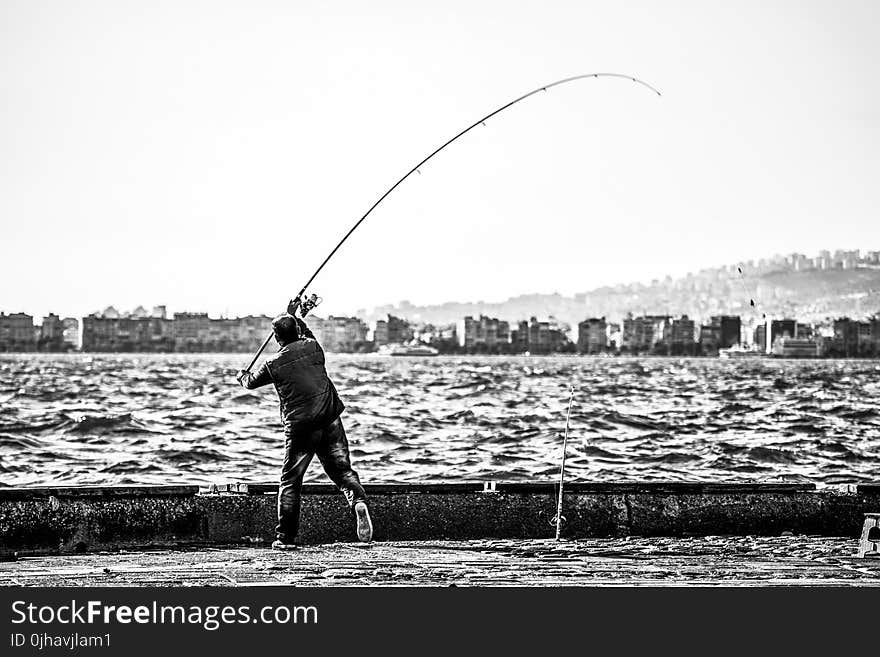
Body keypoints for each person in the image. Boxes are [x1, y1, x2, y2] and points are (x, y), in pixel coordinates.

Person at [236, 311, 372, 549]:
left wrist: (242, 376)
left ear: (277, 338)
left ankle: (285, 538)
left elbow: (250, 383)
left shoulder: (272, 365)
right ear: (297, 330)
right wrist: (296, 315)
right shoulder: (314, 347)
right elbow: (305, 333)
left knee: (291, 482)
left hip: (301, 429)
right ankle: (358, 502)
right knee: (343, 472)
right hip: (330, 420)